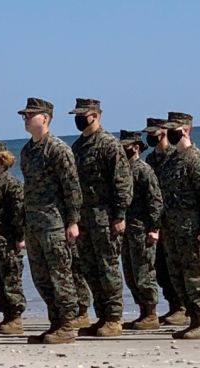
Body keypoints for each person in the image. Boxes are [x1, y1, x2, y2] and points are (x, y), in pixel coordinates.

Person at [17, 98, 83, 344]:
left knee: (60, 275)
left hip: (55, 223)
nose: (25, 119)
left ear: (44, 118)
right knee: (41, 277)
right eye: (24, 115)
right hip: (34, 223)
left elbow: (72, 187)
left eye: (30, 115)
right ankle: (55, 322)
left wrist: (73, 221)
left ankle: (67, 324)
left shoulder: (57, 149)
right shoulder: (27, 151)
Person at [69, 98, 133, 337]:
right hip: (85, 219)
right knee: (89, 268)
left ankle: (114, 317)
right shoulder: (77, 146)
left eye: (82, 114)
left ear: (94, 115)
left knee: (107, 268)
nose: (78, 118)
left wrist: (119, 215)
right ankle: (102, 316)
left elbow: (122, 182)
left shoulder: (108, 144)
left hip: (105, 218)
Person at [158, 112, 200, 340]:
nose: (170, 133)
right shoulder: (172, 160)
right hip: (173, 230)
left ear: (185, 130)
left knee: (194, 276)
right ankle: (192, 317)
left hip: (192, 231)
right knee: (178, 277)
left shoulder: (196, 160)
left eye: (174, 129)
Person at [142, 117, 187, 325]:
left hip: (173, 220)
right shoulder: (150, 160)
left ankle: (183, 307)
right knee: (159, 266)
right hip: (155, 221)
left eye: (154, 133)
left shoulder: (174, 156)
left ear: (163, 133)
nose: (151, 137)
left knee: (176, 266)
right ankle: (173, 305)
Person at [118, 130, 163, 330]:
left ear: (136, 147)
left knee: (144, 271)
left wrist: (154, 228)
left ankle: (151, 313)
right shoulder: (122, 171)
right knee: (130, 272)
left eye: (125, 146)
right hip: (126, 229)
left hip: (142, 228)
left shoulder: (144, 170)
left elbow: (155, 200)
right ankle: (142, 311)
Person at [0, 141, 27, 335]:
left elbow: (18, 214)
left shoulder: (11, 184)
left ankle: (15, 318)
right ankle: (7, 316)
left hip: (7, 238)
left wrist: (20, 237)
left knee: (11, 278)